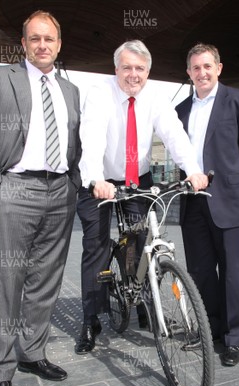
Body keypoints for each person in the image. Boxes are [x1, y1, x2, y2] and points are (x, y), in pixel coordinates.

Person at [0, 10, 81, 386]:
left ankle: (32, 352)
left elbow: (75, 142)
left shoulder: (70, 91)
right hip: (15, 189)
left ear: (59, 44)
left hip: (60, 192)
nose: (42, 45)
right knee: (7, 282)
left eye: (49, 39)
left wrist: (75, 183)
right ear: (24, 44)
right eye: (35, 39)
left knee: (45, 280)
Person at [75, 40, 209, 354]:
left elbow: (175, 136)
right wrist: (96, 178)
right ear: (116, 69)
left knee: (140, 244)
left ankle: (145, 307)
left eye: (140, 69)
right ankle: (90, 319)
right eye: (127, 68)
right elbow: (91, 136)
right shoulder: (99, 93)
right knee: (95, 246)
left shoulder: (155, 97)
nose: (133, 75)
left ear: (147, 71)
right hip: (101, 177)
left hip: (138, 178)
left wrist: (193, 171)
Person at [175, 43, 239, 367]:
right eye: (196, 68)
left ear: (219, 68)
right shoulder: (181, 110)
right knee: (200, 271)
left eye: (207, 66)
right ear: (189, 73)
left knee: (231, 273)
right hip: (193, 203)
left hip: (229, 200)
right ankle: (210, 328)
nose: (202, 73)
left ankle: (232, 338)